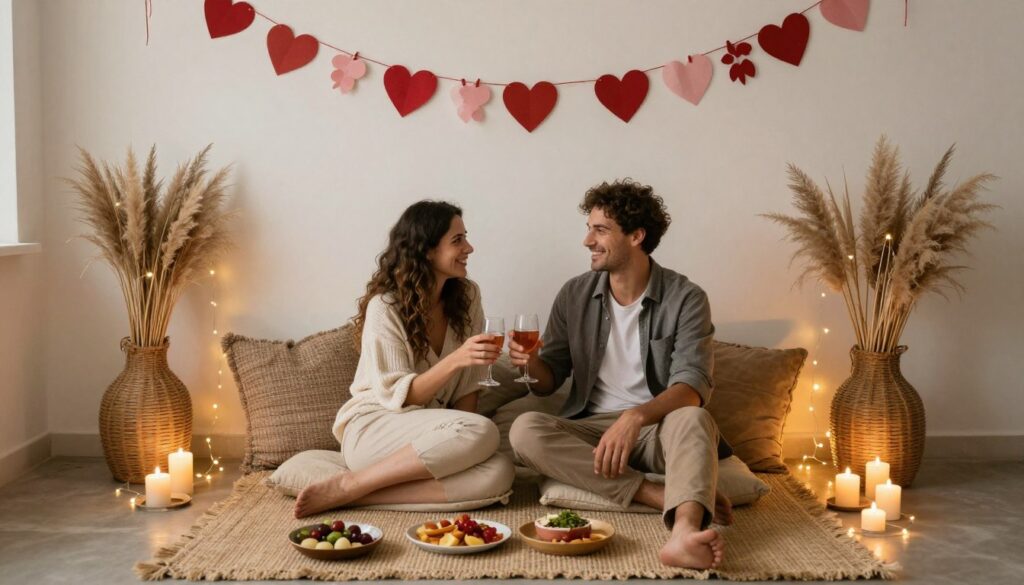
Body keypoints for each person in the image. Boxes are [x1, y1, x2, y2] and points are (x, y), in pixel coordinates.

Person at [507, 180, 731, 569]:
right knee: (524, 429)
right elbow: (549, 382)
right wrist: (530, 363)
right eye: (588, 228)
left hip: (658, 430)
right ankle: (660, 497)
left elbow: (693, 385)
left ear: (636, 236)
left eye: (600, 230)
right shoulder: (574, 294)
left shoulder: (686, 298)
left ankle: (683, 533)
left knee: (695, 418)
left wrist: (636, 417)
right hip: (592, 430)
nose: (587, 241)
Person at [295, 200, 514, 518]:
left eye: (466, 237)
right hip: (376, 428)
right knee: (484, 432)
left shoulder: (468, 297)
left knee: (500, 470)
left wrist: (463, 446)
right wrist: (456, 360)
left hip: (432, 435)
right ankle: (356, 480)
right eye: (457, 240)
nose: (469, 248)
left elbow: (469, 387)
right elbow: (403, 397)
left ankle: (356, 494)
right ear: (427, 250)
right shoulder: (385, 307)